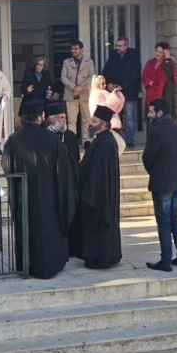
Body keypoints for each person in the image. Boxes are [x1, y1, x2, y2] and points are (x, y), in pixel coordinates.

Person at [1, 100, 76, 279]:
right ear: (41, 117)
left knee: (28, 229)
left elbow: (6, 166)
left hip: (24, 196)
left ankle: (27, 265)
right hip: (51, 196)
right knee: (50, 229)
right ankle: (52, 263)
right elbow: (63, 170)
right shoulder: (53, 139)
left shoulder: (14, 140)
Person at [72, 105, 124, 269]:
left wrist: (87, 194)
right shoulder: (102, 140)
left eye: (94, 121)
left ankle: (99, 258)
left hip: (98, 196)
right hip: (97, 193)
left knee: (98, 228)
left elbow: (98, 174)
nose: (90, 123)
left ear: (103, 124)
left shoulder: (105, 143)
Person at [143, 99, 177, 272]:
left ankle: (166, 260)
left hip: (163, 182)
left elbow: (147, 157)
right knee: (174, 219)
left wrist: (154, 171)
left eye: (151, 111)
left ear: (160, 113)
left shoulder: (156, 130)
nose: (149, 115)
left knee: (164, 222)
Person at [101, 37, 141, 146]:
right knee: (115, 117)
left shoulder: (133, 56)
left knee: (129, 117)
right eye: (117, 46)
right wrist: (109, 83)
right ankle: (116, 140)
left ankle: (129, 141)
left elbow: (135, 74)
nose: (118, 48)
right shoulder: (113, 55)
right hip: (115, 93)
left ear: (126, 46)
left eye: (120, 46)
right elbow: (106, 71)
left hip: (129, 91)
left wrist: (123, 86)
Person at [61, 40, 96, 143]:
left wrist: (81, 87)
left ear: (81, 49)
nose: (73, 51)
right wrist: (74, 87)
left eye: (76, 48)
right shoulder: (66, 62)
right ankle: (72, 143)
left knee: (87, 119)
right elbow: (63, 77)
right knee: (71, 120)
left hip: (85, 94)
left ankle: (87, 142)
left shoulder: (89, 62)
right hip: (70, 93)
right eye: (72, 49)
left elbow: (92, 77)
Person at [142, 42, 177, 109]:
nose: (157, 53)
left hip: (163, 94)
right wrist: (150, 82)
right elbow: (144, 75)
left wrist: (168, 58)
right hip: (151, 93)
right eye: (156, 51)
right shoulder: (150, 62)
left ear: (165, 54)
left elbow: (169, 73)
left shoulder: (169, 63)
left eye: (160, 52)